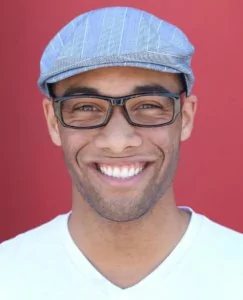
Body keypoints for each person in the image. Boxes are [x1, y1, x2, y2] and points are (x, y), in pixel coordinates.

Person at [1, 6, 243, 300]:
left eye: (148, 105)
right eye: (86, 107)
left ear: (186, 117)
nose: (117, 141)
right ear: (53, 122)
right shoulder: (8, 276)